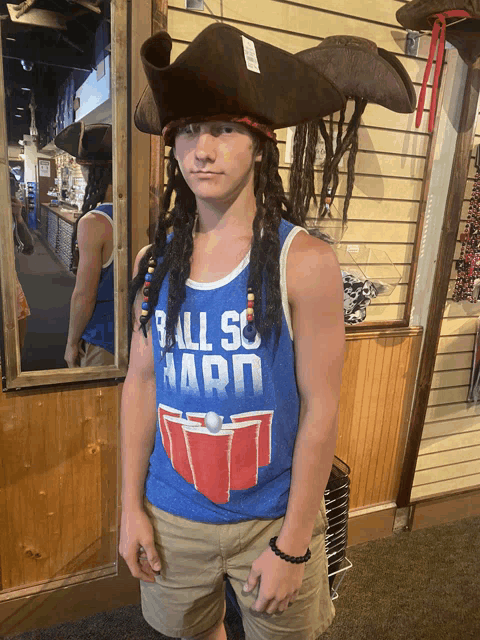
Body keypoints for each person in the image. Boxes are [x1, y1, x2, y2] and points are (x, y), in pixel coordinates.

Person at [120, 24, 346, 640]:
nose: (201, 149)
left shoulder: (306, 263)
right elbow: (141, 386)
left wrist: (295, 545)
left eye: (222, 128)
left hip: (271, 518)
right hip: (173, 513)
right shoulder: (155, 261)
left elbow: (321, 408)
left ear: (259, 141)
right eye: (188, 131)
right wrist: (128, 509)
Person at [54, 122, 115, 368]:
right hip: (143, 332)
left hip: (104, 337)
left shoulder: (95, 221)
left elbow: (84, 295)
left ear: (87, 170)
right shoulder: (147, 206)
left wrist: (71, 342)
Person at [10, 170, 34, 352]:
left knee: (17, 337)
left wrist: (18, 217)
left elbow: (28, 248)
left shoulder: (10, 213)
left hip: (9, 279)